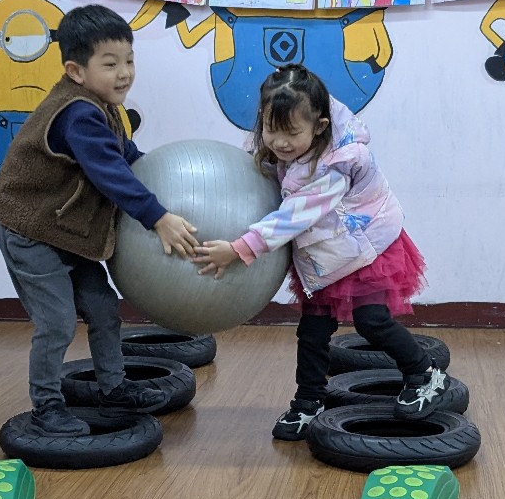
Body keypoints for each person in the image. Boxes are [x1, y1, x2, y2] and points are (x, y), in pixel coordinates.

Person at [191, 63, 449, 440]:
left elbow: (296, 215)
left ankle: (425, 374)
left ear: (320, 126)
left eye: (292, 133)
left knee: (371, 320)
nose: (280, 142)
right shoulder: (281, 149)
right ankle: (309, 400)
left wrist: (239, 248)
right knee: (312, 332)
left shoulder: (334, 166)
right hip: (325, 254)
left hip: (366, 248)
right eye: (271, 129)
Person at [0, 4, 199, 435]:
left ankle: (113, 388)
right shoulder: (78, 114)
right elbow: (110, 173)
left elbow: (127, 157)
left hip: (64, 230)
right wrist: (157, 217)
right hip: (30, 229)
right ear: (76, 71)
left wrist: (171, 178)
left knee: (103, 308)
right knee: (57, 323)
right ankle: (47, 408)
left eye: (129, 61)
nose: (124, 73)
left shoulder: (102, 106)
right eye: (110, 64)